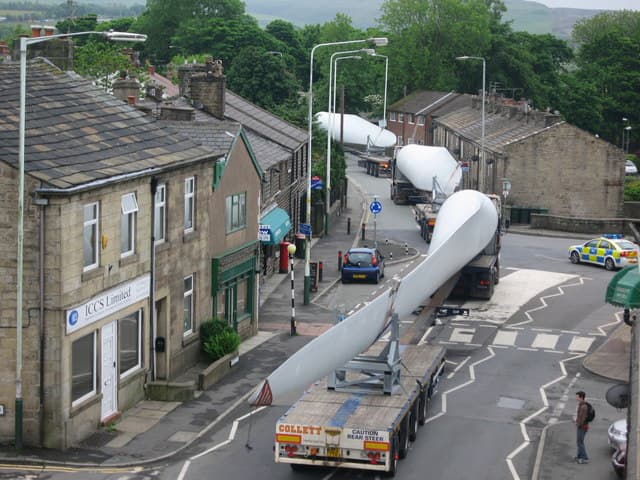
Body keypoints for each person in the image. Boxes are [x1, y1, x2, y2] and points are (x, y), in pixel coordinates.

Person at [574, 391, 589, 464]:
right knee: (579, 442)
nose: (576, 398)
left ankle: (585, 458)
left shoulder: (583, 407)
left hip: (582, 427)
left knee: (580, 442)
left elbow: (582, 418)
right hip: (581, 426)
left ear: (581, 397)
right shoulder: (581, 404)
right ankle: (579, 456)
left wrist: (578, 424)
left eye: (577, 396)